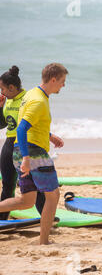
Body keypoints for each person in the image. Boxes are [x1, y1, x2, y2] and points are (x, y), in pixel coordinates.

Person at [0, 63, 67, 245]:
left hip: (19, 150)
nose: (63, 85)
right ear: (53, 79)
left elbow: (30, 125)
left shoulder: (31, 94)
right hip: (33, 153)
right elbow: (21, 129)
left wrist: (49, 136)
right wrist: (27, 159)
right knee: (53, 196)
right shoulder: (38, 101)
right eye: (62, 81)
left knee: (26, 200)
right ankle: (44, 241)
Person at [0, 66, 46, 220]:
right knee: (7, 186)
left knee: (36, 185)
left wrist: (49, 135)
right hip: (8, 145)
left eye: (2, 89)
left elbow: (34, 122)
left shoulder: (27, 99)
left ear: (11, 87)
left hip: (23, 145)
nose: (1, 92)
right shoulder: (7, 100)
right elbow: (2, 124)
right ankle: (2, 222)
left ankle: (47, 220)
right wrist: (0, 107)